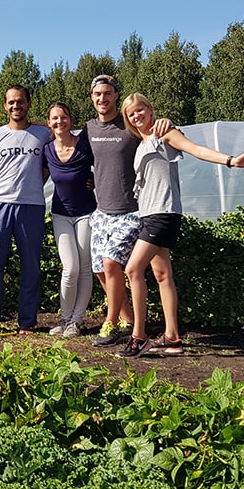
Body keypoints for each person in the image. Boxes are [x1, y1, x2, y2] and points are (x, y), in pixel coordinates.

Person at [116, 92, 244, 357]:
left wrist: (231, 161)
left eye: (140, 110)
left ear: (150, 109)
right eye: (131, 114)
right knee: (162, 276)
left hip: (163, 213)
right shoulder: (143, 142)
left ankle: (138, 336)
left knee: (132, 270)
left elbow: (196, 149)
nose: (137, 116)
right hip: (150, 214)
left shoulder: (165, 133)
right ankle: (172, 337)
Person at [83, 74, 171, 347]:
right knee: (100, 269)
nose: (102, 98)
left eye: (107, 94)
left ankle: (109, 325)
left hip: (131, 210)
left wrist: (166, 122)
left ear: (115, 97)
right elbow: (68, 144)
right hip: (102, 210)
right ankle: (127, 319)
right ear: (92, 98)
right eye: (98, 94)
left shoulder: (128, 125)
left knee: (112, 263)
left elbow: (152, 130)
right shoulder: (89, 128)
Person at [0, 85, 52, 335]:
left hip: (31, 208)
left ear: (28, 104)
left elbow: (60, 143)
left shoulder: (43, 135)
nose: (15, 106)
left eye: (20, 101)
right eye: (11, 102)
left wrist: (32, 185)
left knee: (30, 266)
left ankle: (26, 321)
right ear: (4, 106)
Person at [42, 102, 97, 337]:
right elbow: (39, 178)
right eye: (54, 118)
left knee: (84, 268)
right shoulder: (47, 150)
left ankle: (77, 320)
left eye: (63, 117)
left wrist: (96, 180)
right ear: (49, 123)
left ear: (70, 120)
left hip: (86, 213)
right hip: (60, 214)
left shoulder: (84, 146)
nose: (59, 122)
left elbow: (106, 166)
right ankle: (64, 319)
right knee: (70, 268)